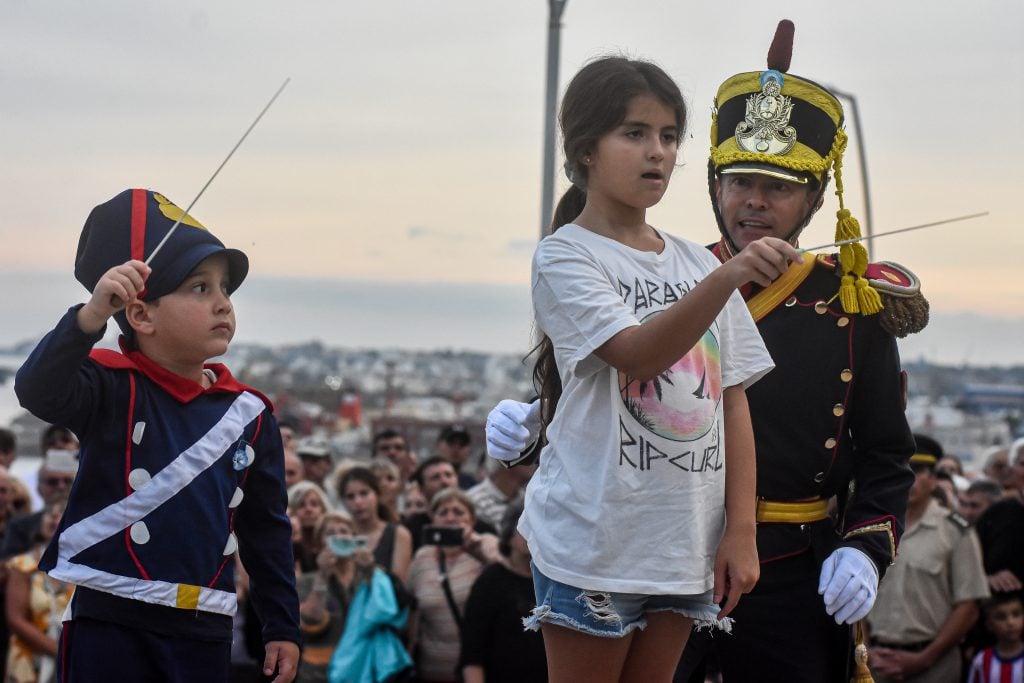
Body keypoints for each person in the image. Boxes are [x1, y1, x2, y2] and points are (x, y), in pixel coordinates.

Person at [487, 22, 923, 683]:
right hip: (640, 543)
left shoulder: (853, 305)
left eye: (777, 187)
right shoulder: (679, 267)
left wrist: (864, 547)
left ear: (810, 199)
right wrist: (536, 424)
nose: (753, 201)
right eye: (739, 180)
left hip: (779, 564)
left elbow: (880, 450)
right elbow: (616, 375)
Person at [519, 51, 810, 683]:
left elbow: (731, 399)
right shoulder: (566, 256)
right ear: (585, 149)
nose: (657, 152)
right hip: (597, 543)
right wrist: (731, 272)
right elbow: (637, 354)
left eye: (669, 137)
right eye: (635, 133)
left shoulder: (693, 262)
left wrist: (741, 532)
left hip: (682, 547)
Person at [13, 188, 300, 682]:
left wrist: (282, 626)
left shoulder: (250, 414)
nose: (223, 305)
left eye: (225, 289)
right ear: (142, 314)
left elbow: (265, 529)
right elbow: (37, 389)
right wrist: (89, 318)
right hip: (109, 619)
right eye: (199, 288)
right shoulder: (110, 385)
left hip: (204, 624)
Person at [867, 435, 990, 683]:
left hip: (933, 665)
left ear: (934, 479)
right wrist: (866, 651)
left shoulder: (956, 530)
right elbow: (857, 595)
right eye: (901, 468)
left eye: (918, 469)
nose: (909, 477)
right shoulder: (872, 527)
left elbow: (968, 606)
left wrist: (923, 659)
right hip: (875, 661)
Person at [294, 511, 410, 683]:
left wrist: (371, 571)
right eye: (330, 533)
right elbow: (310, 624)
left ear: (355, 540)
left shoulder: (371, 577)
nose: (339, 537)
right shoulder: (306, 582)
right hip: (320, 674)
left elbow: (390, 614)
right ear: (319, 544)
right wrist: (323, 576)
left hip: (365, 669)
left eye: (344, 531)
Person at [408, 488, 499, 683]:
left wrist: (478, 553)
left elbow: (508, 578)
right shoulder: (422, 557)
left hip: (478, 671)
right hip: (430, 672)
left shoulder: (486, 544)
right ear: (433, 520)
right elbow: (413, 612)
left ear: (472, 520)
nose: (450, 518)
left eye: (458, 512)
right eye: (443, 513)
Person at [460, 500, 548, 683]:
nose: (532, 534)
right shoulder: (490, 581)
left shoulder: (553, 582)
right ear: (509, 534)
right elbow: (472, 653)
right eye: (525, 527)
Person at [5, 497, 73, 683]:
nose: (54, 517)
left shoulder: (82, 570)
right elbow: (15, 619)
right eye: (49, 513)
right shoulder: (23, 565)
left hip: (70, 661)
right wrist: (58, 650)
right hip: (30, 662)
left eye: (61, 513)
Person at [336, 466, 413, 582]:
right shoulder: (340, 535)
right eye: (350, 497)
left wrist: (371, 567)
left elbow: (400, 583)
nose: (358, 502)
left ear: (377, 495)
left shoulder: (399, 534)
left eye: (364, 494)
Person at [1, 450, 78, 560]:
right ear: (39, 489)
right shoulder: (19, 526)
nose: (61, 487)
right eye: (52, 482)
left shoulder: (90, 524)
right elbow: (8, 566)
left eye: (67, 481)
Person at [975, 438, 1024, 595]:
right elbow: (969, 565)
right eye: (1023, 464)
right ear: (1012, 469)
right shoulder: (995, 515)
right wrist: (987, 579)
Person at [465, 450, 534, 531]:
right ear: (504, 460)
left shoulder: (530, 501)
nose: (535, 460)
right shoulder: (473, 501)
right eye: (527, 453)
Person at [967, 592, 1024, 683]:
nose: (1010, 623)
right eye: (1001, 617)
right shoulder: (981, 660)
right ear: (989, 625)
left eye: (1016, 615)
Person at [288, 481, 333, 574]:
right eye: (301, 505)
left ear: (323, 509)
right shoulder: (286, 545)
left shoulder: (332, 542)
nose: (308, 509)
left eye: (314, 504)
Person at [436, 424, 477, 489]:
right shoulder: (426, 480)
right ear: (439, 445)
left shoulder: (473, 485)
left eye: (462, 444)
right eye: (451, 443)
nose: (456, 448)